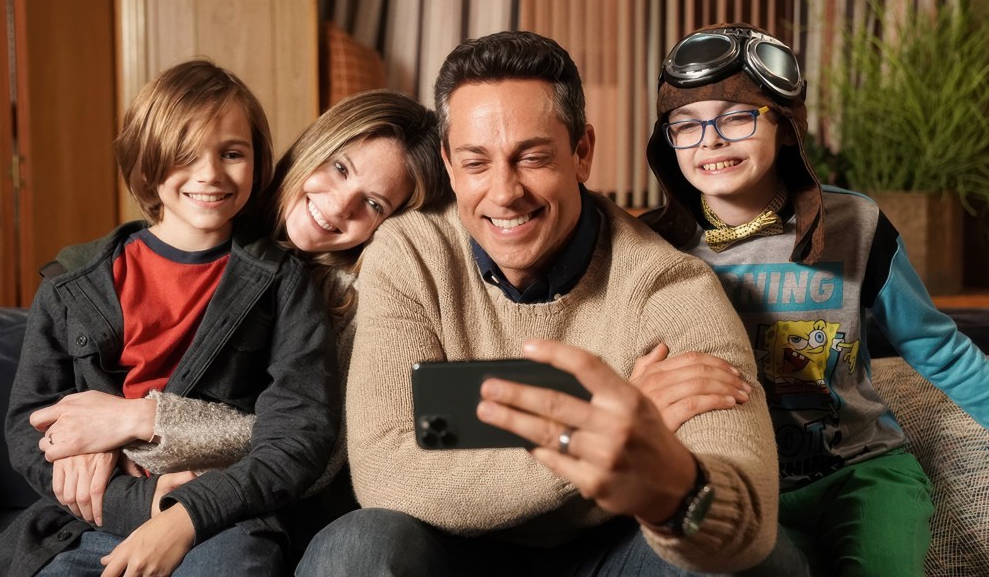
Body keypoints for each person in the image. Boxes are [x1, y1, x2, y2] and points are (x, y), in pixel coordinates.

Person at [296, 30, 779, 576]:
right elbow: (387, 471)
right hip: (447, 550)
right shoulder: (411, 254)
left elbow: (749, 513)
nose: (504, 193)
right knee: (358, 546)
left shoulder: (667, 287)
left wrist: (674, 489)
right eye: (476, 163)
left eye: (532, 157)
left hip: (615, 549)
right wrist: (597, 430)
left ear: (582, 153)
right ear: (449, 166)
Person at [0, 88, 452, 576]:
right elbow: (37, 421)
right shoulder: (110, 266)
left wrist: (137, 420)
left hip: (249, 513)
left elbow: (307, 444)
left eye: (373, 203)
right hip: (101, 514)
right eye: (339, 168)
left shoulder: (350, 296)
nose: (338, 206)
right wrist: (92, 453)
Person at [642, 23, 989, 575]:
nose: (710, 140)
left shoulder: (856, 224)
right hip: (741, 483)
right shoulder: (654, 248)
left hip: (864, 470)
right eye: (685, 125)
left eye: (736, 117)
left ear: (785, 128)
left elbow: (937, 347)